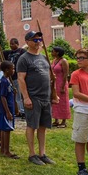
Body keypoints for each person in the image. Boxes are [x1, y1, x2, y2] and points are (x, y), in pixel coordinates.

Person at [17, 31, 55, 165]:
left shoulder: (44, 58)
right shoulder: (24, 58)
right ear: (27, 42)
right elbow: (21, 79)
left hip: (46, 98)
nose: (38, 41)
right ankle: (32, 154)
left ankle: (42, 153)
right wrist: (26, 98)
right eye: (35, 39)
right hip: (33, 97)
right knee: (32, 125)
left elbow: (50, 78)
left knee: (43, 126)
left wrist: (53, 95)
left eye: (39, 39)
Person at [0, 61, 18, 159]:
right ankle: (6, 151)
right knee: (7, 130)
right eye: (12, 68)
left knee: (4, 129)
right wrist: (7, 111)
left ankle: (3, 149)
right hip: (6, 109)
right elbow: (3, 97)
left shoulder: (7, 80)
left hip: (10, 107)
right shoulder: (4, 81)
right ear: (7, 70)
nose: (13, 70)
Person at [51, 47, 70, 128]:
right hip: (54, 83)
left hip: (61, 83)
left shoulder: (64, 61)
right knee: (55, 100)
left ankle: (64, 121)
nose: (51, 52)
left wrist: (62, 86)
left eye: (53, 51)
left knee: (63, 101)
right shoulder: (54, 60)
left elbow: (66, 74)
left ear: (57, 52)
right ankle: (56, 119)